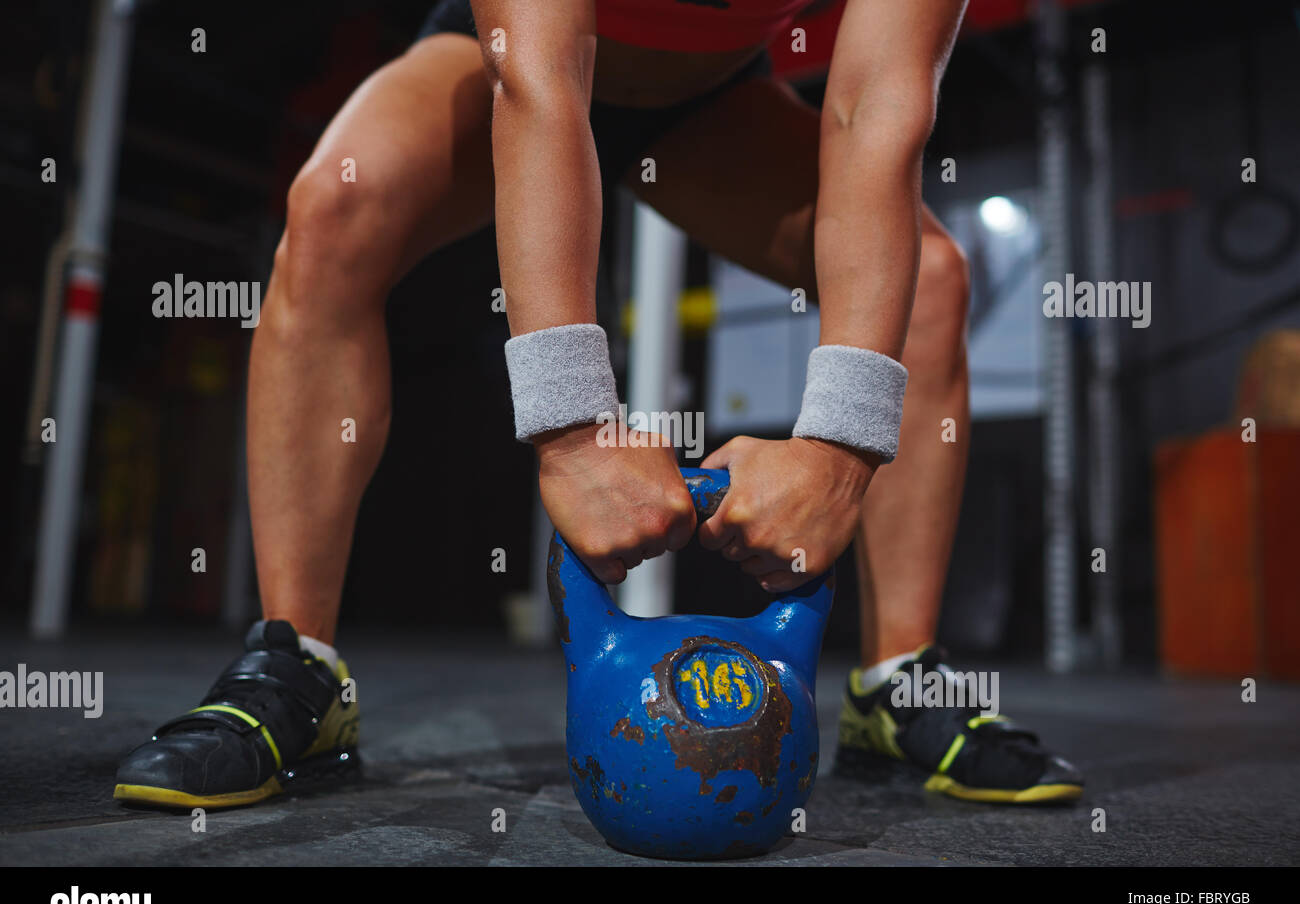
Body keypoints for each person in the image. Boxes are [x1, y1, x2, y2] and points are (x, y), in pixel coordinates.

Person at [114, 0, 1081, 812]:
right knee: (331, 211)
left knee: (937, 280)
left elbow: (876, 108)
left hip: (708, 102)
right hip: (511, 59)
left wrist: (840, 440)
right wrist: (573, 431)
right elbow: (537, 79)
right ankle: (299, 667)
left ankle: (894, 681)